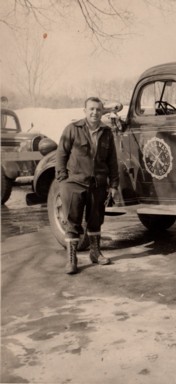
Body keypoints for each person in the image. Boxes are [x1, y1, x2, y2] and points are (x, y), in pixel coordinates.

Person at [56, 96, 120, 274]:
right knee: (73, 222)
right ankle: (72, 258)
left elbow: (112, 160)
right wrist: (63, 181)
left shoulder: (106, 132)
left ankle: (95, 252)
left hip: (97, 184)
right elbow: (61, 155)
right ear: (84, 111)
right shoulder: (72, 129)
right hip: (74, 183)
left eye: (98, 109)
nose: (95, 112)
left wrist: (113, 184)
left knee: (95, 220)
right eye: (91, 109)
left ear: (102, 112)